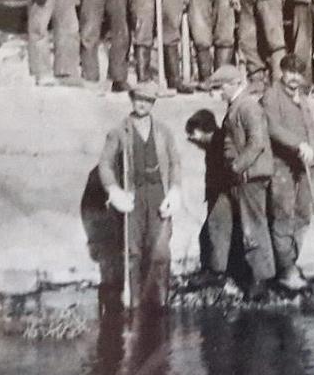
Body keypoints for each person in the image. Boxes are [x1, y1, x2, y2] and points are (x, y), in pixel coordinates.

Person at [94, 81, 182, 308]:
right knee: (132, 251)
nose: (142, 104)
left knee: (160, 251)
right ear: (132, 100)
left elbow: (174, 163)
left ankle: (159, 302)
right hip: (133, 196)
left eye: (147, 100)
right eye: (138, 99)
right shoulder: (119, 131)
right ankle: (133, 303)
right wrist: (114, 190)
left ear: (153, 103)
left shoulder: (163, 131)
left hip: (158, 194)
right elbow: (105, 164)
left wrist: (175, 189)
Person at [209, 64, 277, 300]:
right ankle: (230, 273)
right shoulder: (237, 106)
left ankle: (262, 281)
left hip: (251, 177)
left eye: (219, 88)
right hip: (242, 177)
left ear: (234, 85)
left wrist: (237, 167)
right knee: (227, 221)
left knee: (253, 228)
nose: (216, 93)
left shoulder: (247, 106)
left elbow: (257, 142)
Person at [261, 53, 314, 290]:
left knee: (303, 215)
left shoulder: (302, 98)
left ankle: (291, 260)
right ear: (282, 72)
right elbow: (273, 128)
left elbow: (312, 129)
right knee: (283, 216)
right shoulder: (271, 96)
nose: (294, 78)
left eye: (299, 73)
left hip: (305, 165)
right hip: (281, 165)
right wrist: (298, 145)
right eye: (290, 72)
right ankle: (285, 270)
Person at [185, 108, 243, 297]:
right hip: (217, 195)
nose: (191, 140)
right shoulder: (213, 144)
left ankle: (216, 272)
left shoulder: (220, 144)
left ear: (204, 130)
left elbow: (225, 173)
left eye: (192, 135)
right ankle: (212, 269)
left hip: (223, 195)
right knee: (209, 234)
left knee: (215, 231)